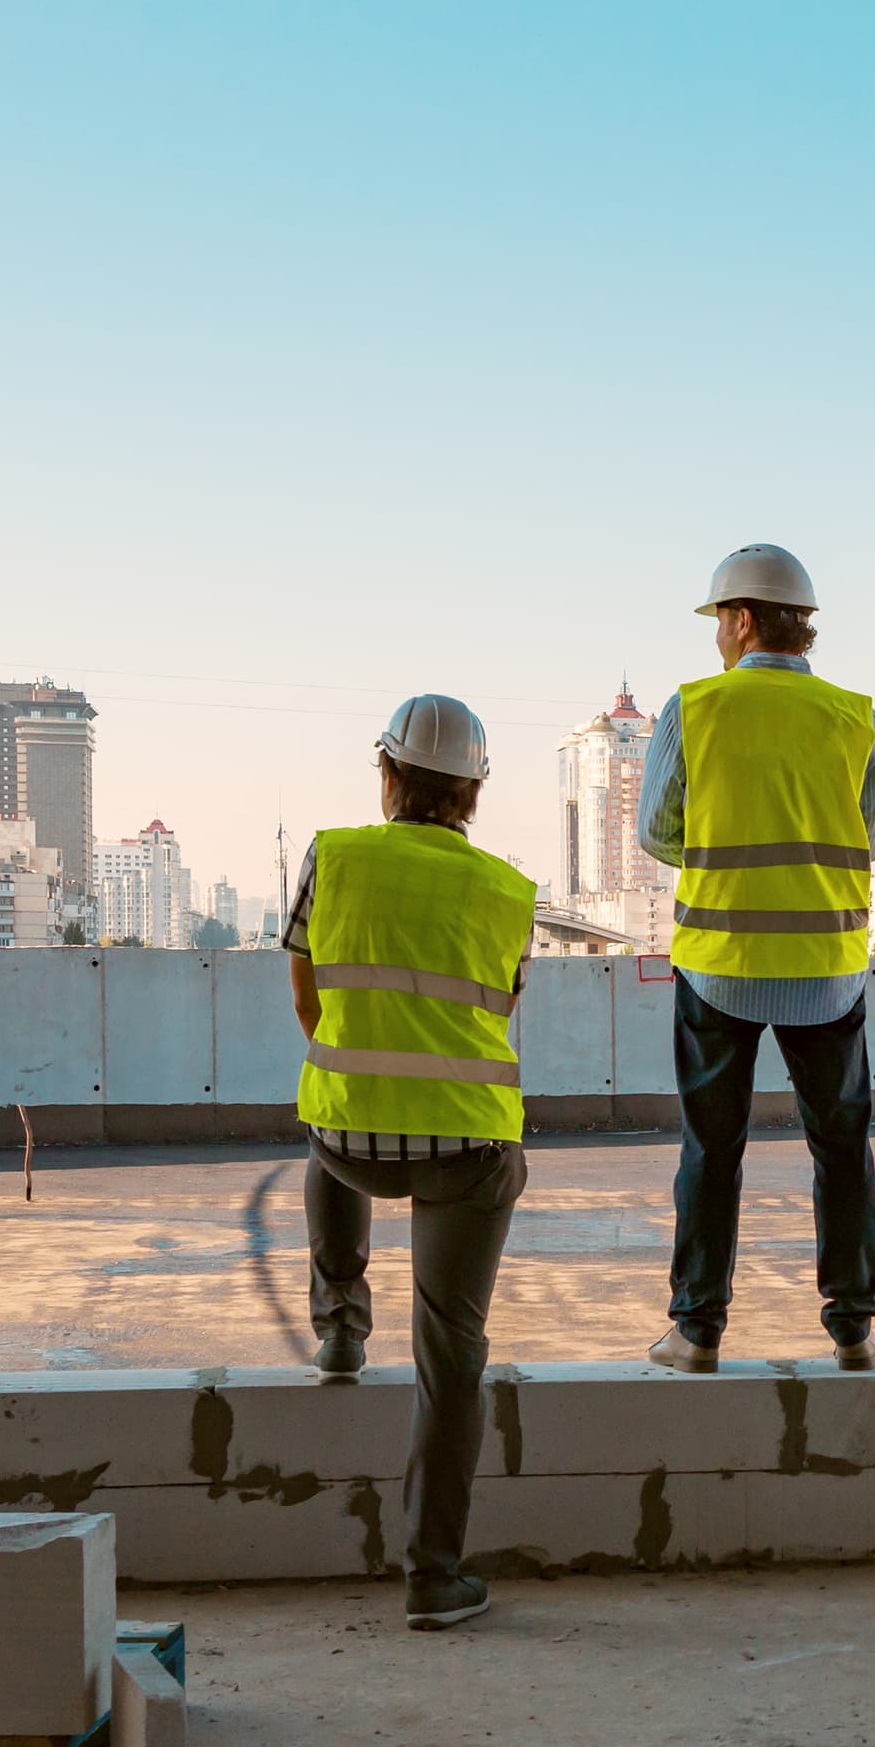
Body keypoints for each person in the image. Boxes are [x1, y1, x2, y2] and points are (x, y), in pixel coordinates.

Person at [285, 693, 538, 1631]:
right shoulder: (509, 892)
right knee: (452, 1356)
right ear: (473, 792)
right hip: (466, 1154)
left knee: (321, 1137)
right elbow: (494, 1017)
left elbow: (309, 1005)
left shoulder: (333, 857)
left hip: (351, 1147)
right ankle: (434, 1576)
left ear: (386, 774)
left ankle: (342, 1325)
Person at [637, 544, 875, 1373]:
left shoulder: (695, 708)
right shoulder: (857, 716)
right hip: (827, 964)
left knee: (712, 1149)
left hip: (721, 961)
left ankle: (696, 1332)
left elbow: (655, 831)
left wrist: (718, 850)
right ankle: (853, 1329)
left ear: (742, 620)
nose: (717, 637)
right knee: (841, 1145)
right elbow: (870, 837)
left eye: (719, 621)